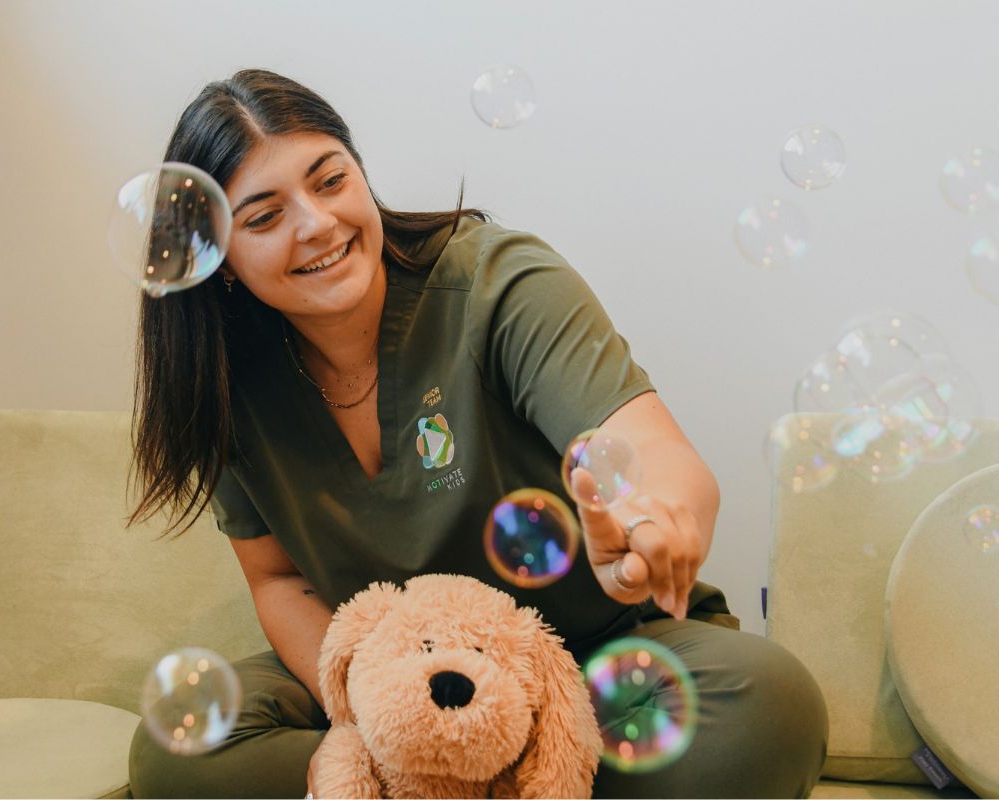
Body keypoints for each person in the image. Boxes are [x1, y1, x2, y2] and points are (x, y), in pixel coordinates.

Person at [125, 68, 828, 799]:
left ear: (361, 175)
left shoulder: (499, 283)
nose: (317, 224)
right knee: (176, 755)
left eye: (330, 181)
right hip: (393, 679)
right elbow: (278, 579)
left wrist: (652, 516)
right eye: (265, 218)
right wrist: (373, 717)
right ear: (220, 259)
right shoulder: (224, 379)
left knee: (768, 703)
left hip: (584, 662)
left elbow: (649, 452)